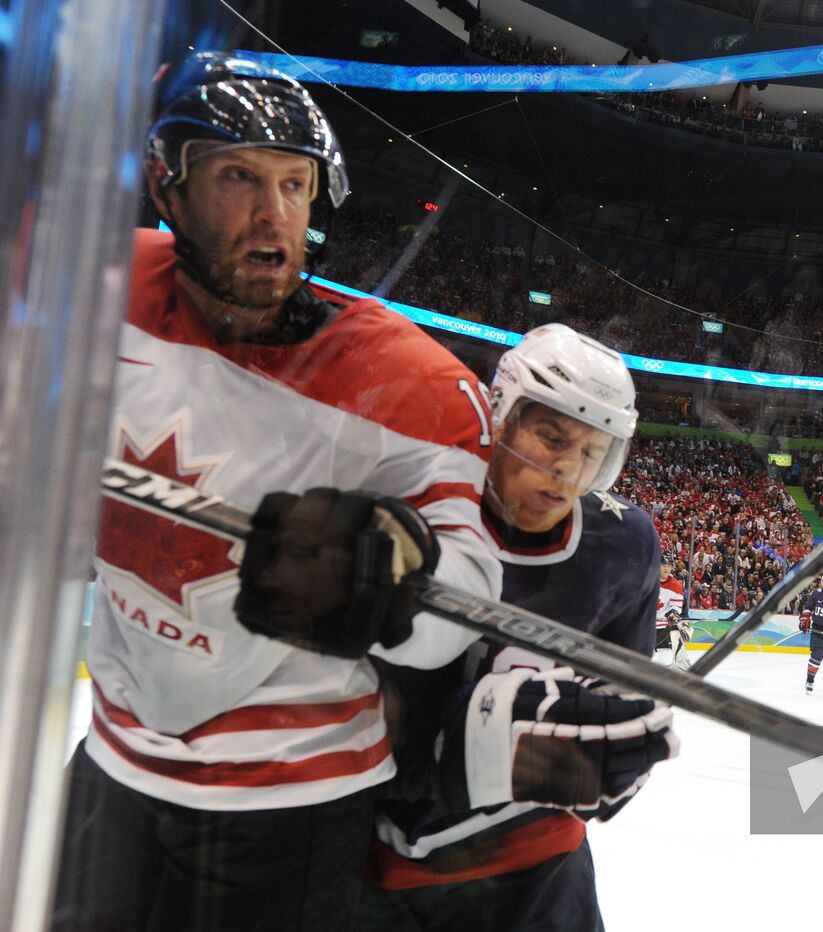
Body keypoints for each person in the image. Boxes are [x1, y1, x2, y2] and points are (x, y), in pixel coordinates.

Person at [52, 53, 505, 931]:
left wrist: (397, 581)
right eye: (238, 178)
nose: (275, 215)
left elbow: (471, 597)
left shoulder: (405, 380)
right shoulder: (98, 287)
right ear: (168, 188)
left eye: (295, 186)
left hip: (291, 796)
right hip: (115, 759)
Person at [356, 324, 678, 932]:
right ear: (499, 416)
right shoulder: (415, 508)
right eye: (552, 438)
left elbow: (625, 699)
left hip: (541, 869)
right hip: (385, 863)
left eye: (593, 452)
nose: (567, 471)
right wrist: (463, 748)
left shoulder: (622, 543)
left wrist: (616, 751)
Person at [656, 552, 692, 670]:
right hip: (645, 625)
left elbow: (676, 605)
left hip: (663, 626)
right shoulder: (648, 579)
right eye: (664, 565)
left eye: (669, 566)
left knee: (666, 658)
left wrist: (674, 613)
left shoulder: (676, 585)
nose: (666, 568)